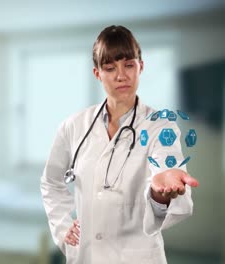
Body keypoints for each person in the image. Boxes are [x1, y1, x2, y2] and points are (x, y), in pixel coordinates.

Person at [40, 25, 199, 264]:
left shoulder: (160, 127)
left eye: (129, 65)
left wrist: (159, 193)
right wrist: (63, 227)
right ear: (97, 74)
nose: (121, 75)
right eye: (109, 67)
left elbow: (168, 177)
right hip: (88, 256)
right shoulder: (73, 126)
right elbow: (51, 182)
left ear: (140, 67)